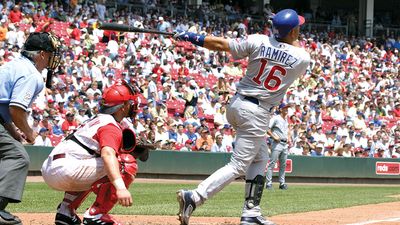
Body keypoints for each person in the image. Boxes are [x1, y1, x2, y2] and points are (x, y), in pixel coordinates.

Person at [174, 8, 310, 225]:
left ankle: (251, 212)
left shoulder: (258, 40)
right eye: (298, 28)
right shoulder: (302, 57)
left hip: (237, 104)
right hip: (257, 112)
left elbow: (220, 45)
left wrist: (192, 37)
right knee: (238, 165)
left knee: (260, 158)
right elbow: (289, 44)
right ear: (293, 31)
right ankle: (195, 196)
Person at [41, 80, 147, 225]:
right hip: (67, 168)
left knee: (94, 165)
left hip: (51, 168)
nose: (132, 105)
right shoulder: (110, 125)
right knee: (124, 163)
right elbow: (108, 154)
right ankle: (96, 214)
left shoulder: (97, 120)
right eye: (130, 102)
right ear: (122, 107)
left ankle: (65, 212)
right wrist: (121, 188)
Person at [0, 32, 61, 224]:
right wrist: (29, 133)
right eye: (51, 54)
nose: (53, 59)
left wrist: (12, 131)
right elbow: (16, 109)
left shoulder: (13, 64)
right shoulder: (32, 74)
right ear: (42, 54)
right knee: (17, 156)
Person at [265, 103, 290, 190]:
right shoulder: (276, 118)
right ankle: (268, 183)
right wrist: (274, 136)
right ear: (280, 109)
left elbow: (287, 130)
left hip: (285, 144)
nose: (287, 109)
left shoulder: (286, 119)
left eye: (287, 108)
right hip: (277, 143)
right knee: (272, 163)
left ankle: (282, 183)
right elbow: (267, 128)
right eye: (285, 108)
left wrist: (289, 138)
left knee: (283, 165)